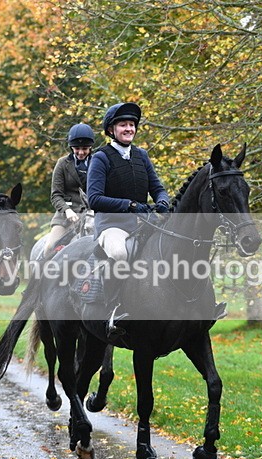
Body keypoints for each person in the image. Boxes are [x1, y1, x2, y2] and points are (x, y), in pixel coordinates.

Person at [86, 102, 170, 337]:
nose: (129, 128)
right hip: (111, 226)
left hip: (143, 224)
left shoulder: (141, 156)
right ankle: (115, 309)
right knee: (121, 254)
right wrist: (130, 205)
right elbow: (94, 198)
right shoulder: (101, 158)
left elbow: (157, 187)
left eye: (131, 124)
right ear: (112, 130)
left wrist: (163, 201)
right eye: (123, 124)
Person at [43, 122, 94, 255]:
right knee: (49, 248)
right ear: (71, 147)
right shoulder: (62, 164)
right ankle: (41, 274)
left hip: (92, 216)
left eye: (85, 148)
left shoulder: (98, 163)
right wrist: (67, 210)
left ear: (90, 147)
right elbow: (56, 195)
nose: (81, 152)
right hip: (67, 217)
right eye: (77, 148)